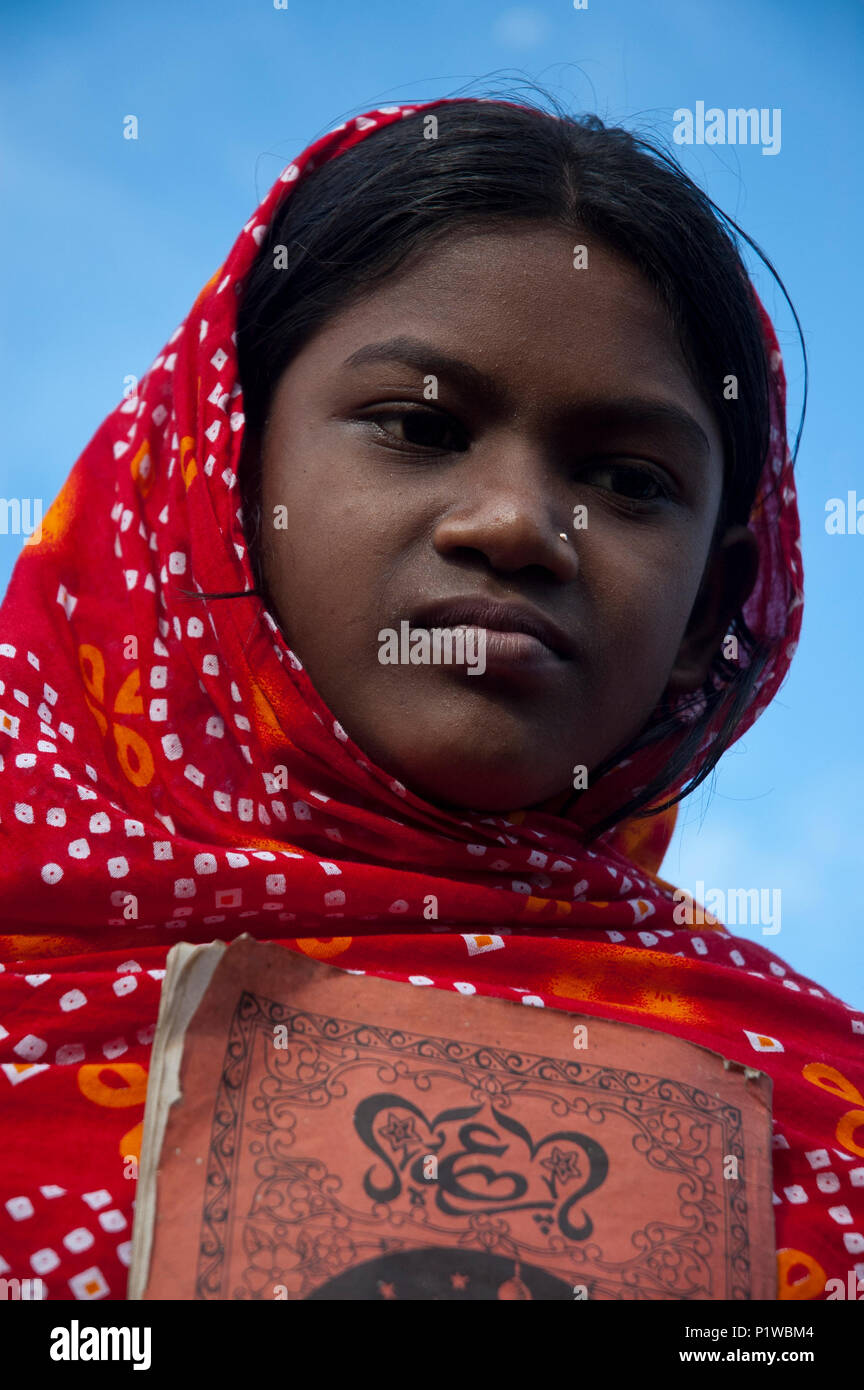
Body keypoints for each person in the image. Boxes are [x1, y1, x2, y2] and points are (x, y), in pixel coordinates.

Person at [0, 96, 860, 1303]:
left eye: (626, 478)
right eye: (418, 425)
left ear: (710, 613)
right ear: (221, 478)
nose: (514, 525)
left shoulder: (827, 1124)